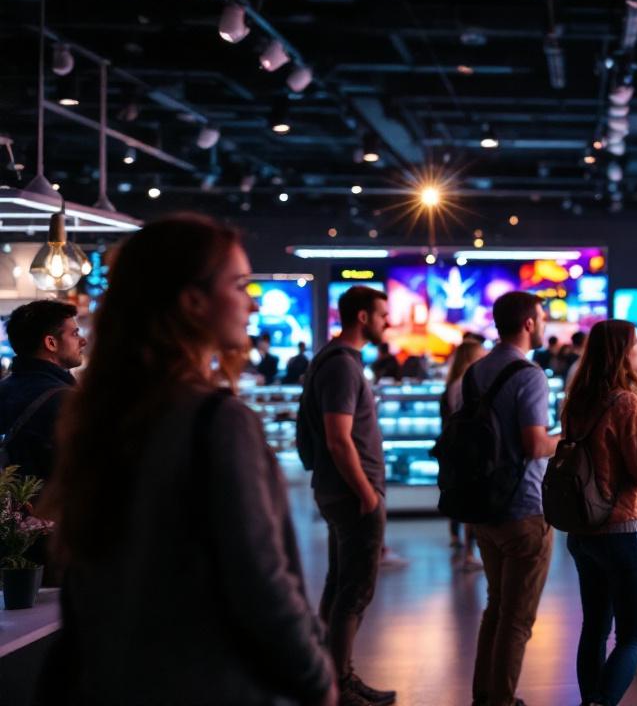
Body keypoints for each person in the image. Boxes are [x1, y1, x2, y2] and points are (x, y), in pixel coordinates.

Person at [39, 215, 335, 705]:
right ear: (193, 301)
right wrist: (316, 676)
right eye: (239, 284)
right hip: (214, 682)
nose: (251, 300)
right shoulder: (217, 421)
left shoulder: (101, 414)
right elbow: (261, 579)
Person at [561, 320, 637, 706]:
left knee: (594, 627)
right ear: (622, 353)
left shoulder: (577, 401)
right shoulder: (627, 403)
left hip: (583, 529)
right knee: (633, 637)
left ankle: (590, 697)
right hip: (624, 528)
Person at [304, 285, 396, 706]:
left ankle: (330, 674)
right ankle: (340, 683)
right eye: (381, 315)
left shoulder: (335, 359)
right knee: (355, 590)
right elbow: (339, 438)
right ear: (362, 317)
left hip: (339, 491)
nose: (386, 322)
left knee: (340, 583)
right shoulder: (342, 365)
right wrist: (367, 493)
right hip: (352, 493)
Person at [469, 291, 558, 706]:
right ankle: (501, 700)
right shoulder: (529, 374)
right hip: (524, 506)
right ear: (527, 323)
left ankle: (484, 695)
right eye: (541, 317)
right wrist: (569, 438)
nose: (543, 324)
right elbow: (535, 444)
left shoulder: (476, 370)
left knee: (496, 605)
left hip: (482, 503)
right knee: (518, 617)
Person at [0, 300, 86, 481]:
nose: (83, 341)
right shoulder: (66, 401)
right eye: (75, 333)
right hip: (50, 507)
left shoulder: (4, 390)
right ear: (51, 343)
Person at [441, 339, 487, 570]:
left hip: (454, 449)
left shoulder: (453, 384)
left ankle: (456, 538)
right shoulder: (469, 384)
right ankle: (470, 552)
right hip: (468, 450)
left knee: (459, 494)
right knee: (472, 500)